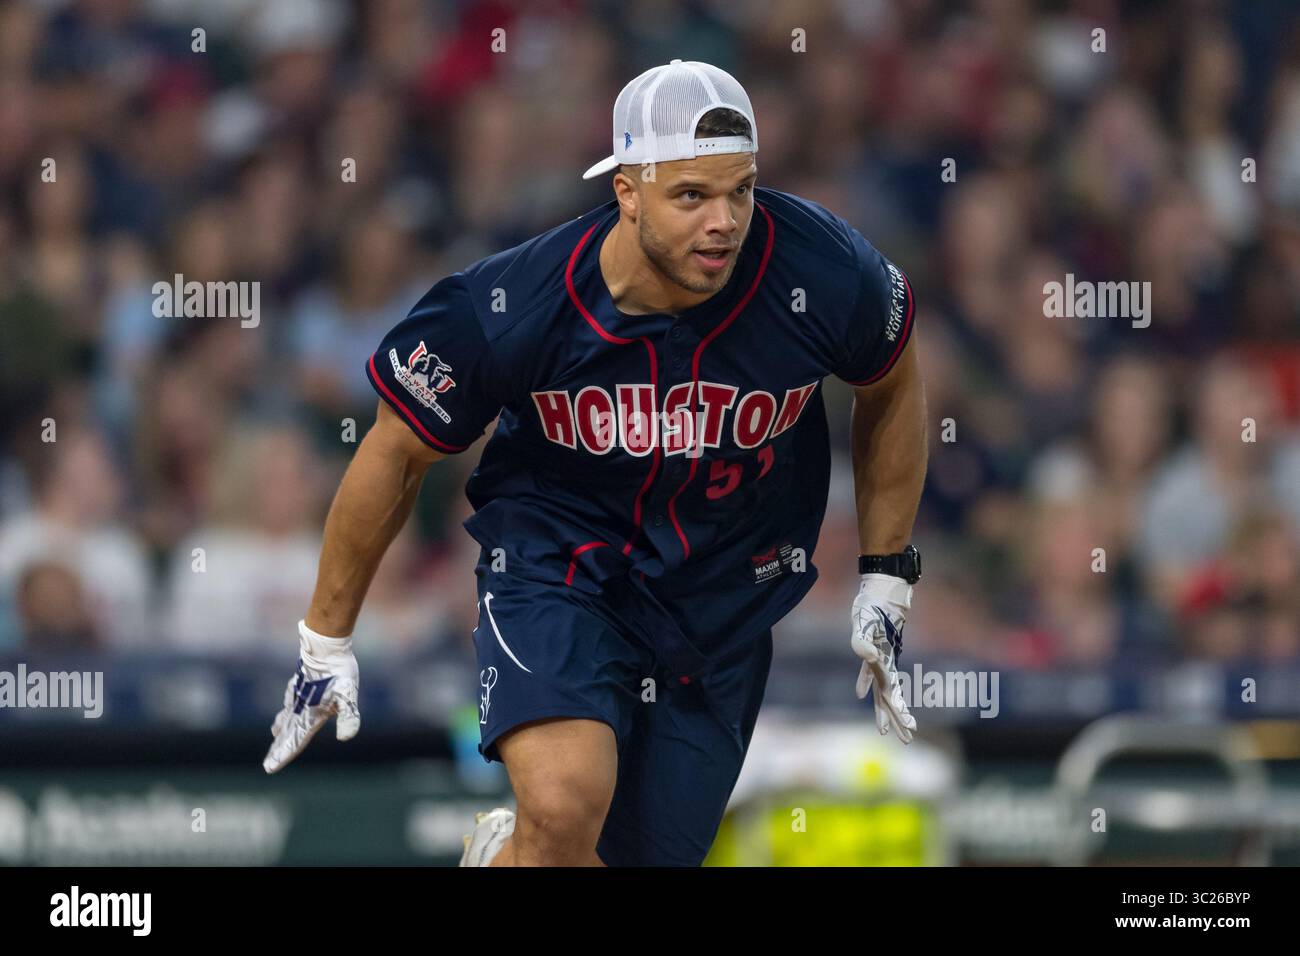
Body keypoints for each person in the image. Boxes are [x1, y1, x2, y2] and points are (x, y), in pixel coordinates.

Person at [262, 60, 927, 867]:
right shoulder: (514, 304)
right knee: (566, 801)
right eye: (691, 196)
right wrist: (326, 638)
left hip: (720, 598)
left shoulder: (822, 270)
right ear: (628, 191)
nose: (724, 221)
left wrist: (886, 572)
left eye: (741, 190)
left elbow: (891, 381)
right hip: (560, 565)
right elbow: (396, 451)